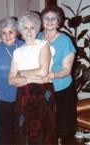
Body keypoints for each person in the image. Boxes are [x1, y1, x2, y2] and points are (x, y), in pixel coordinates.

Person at [8, 12, 56, 145]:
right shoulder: (17, 52)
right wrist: (30, 79)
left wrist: (21, 73)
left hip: (42, 94)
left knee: (43, 133)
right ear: (21, 31)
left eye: (32, 27)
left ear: (37, 29)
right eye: (25, 28)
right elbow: (11, 80)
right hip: (23, 96)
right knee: (23, 132)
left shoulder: (43, 45)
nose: (29, 31)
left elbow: (43, 71)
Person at [37, 6, 77, 145]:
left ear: (59, 22)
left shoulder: (65, 40)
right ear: (41, 21)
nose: (49, 21)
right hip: (40, 88)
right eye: (46, 18)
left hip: (61, 90)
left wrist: (50, 75)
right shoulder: (36, 37)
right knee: (42, 126)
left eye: (53, 18)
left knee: (60, 128)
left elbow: (66, 70)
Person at [0, 17, 24, 145]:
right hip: (2, 96)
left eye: (10, 32)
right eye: (3, 33)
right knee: (5, 132)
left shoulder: (25, 45)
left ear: (17, 32)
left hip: (22, 94)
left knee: (21, 129)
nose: (7, 36)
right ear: (0, 34)